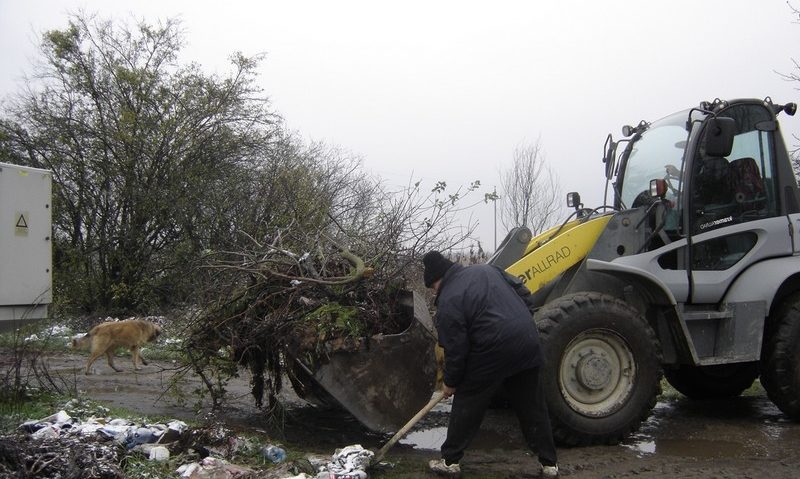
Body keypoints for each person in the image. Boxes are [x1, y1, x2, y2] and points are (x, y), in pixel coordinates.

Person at [422, 250, 558, 478]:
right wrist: (517, 322)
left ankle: (450, 462)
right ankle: (550, 465)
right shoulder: (488, 269)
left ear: (438, 279)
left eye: (433, 287)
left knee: (467, 402)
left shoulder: (449, 299)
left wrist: (451, 382)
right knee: (533, 407)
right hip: (527, 342)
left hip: (492, 350)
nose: (435, 291)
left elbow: (456, 350)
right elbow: (525, 293)